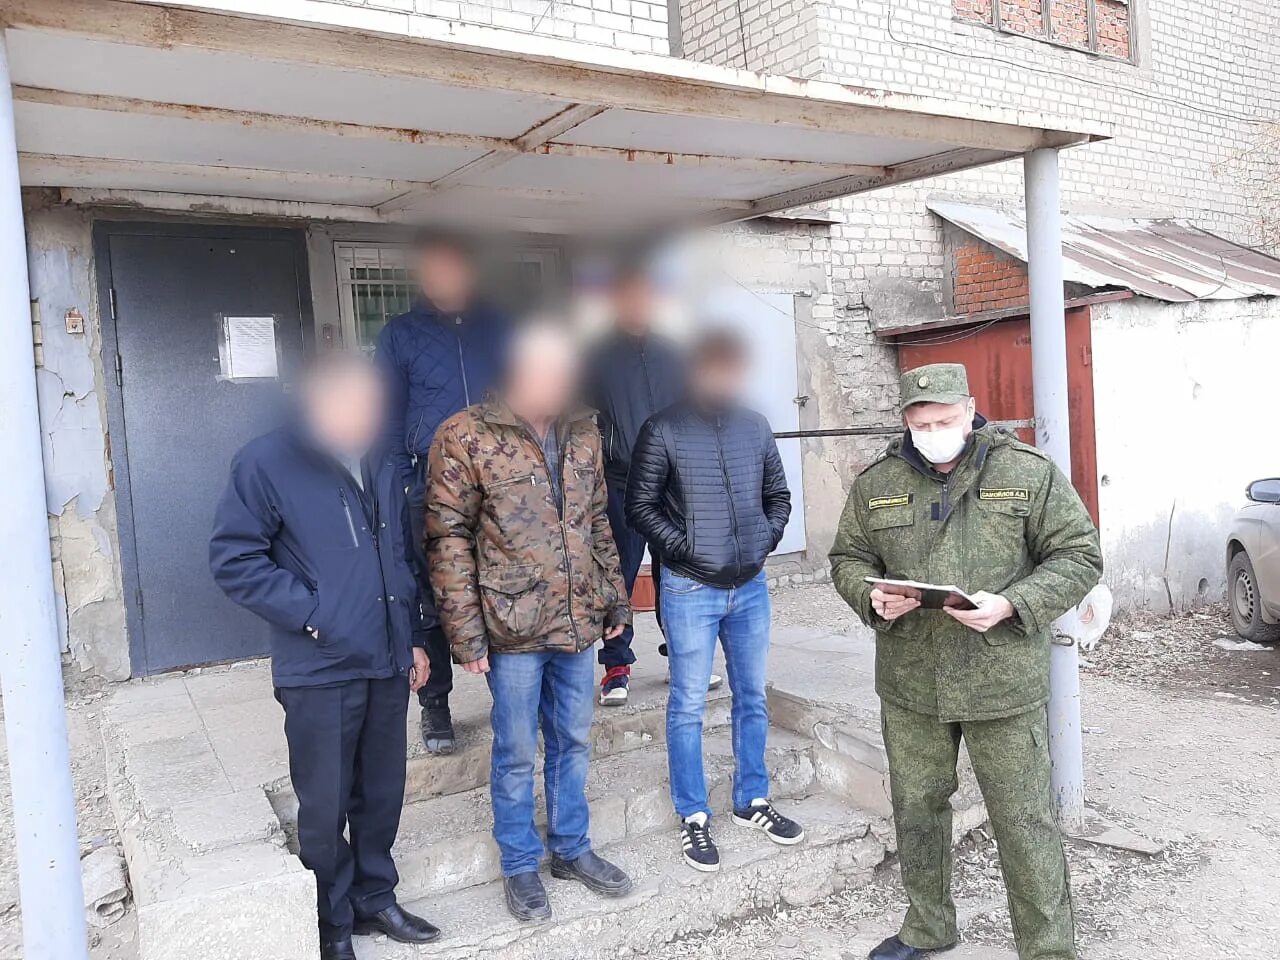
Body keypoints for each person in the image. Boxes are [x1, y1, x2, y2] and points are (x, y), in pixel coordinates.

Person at [828, 362, 1104, 960]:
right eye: (921, 423)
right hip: (911, 681)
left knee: (1023, 818)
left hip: (1000, 679)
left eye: (945, 420)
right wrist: (871, 599)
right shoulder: (877, 482)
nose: (933, 432)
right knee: (917, 810)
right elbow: (847, 557)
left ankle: (1048, 949)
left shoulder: (1026, 471)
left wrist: (1014, 603)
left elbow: (1079, 555)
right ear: (906, 420)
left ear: (971, 410)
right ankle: (928, 927)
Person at [209, 354, 442, 960]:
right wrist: (315, 615)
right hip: (319, 668)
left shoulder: (382, 458)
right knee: (326, 802)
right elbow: (234, 560)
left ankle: (375, 897)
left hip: (386, 656)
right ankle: (333, 921)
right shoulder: (267, 461)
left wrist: (413, 635)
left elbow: (398, 554)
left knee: (381, 792)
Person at [426, 320, 635, 922]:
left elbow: (598, 522)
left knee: (573, 738)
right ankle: (520, 862)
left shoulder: (584, 428)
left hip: (577, 619)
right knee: (516, 748)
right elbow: (446, 539)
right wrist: (465, 634)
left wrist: (615, 602)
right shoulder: (465, 434)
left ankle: (571, 847)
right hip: (510, 625)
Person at [625, 327, 802, 874]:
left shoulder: (755, 426)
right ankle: (693, 813)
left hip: (749, 588)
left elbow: (778, 496)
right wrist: (686, 550)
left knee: (752, 695)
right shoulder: (662, 429)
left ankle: (752, 799)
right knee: (687, 704)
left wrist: (760, 542)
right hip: (688, 589)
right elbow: (639, 506)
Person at [376, 232, 510, 755]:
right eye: (433, 269)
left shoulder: (499, 327)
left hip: (496, 484)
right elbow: (387, 417)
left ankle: (508, 697)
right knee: (431, 595)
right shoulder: (400, 335)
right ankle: (435, 704)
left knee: (499, 587)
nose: (443, 278)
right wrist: (399, 481)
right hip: (427, 483)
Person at [586, 266, 721, 705]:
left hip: (671, 483)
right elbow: (579, 414)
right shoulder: (596, 356)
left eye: (644, 297)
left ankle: (683, 657)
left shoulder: (673, 352)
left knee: (677, 573)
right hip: (620, 481)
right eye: (629, 297)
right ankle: (616, 666)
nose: (637, 305)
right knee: (618, 574)